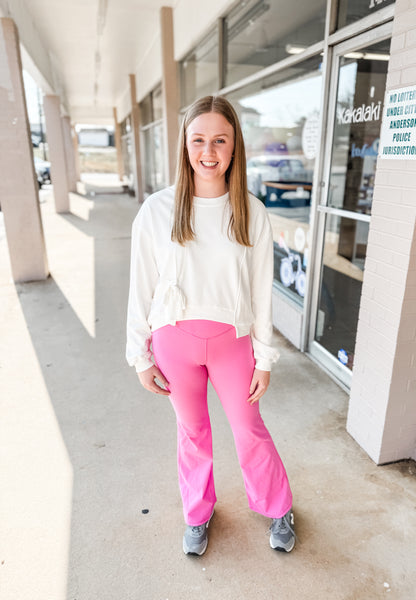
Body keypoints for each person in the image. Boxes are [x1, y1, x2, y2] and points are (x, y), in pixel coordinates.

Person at [126, 95, 295, 555]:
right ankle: (198, 514)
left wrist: (265, 358)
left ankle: (277, 505)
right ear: (184, 145)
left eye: (220, 140)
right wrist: (138, 356)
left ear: (235, 146)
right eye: (198, 139)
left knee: (248, 427)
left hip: (232, 343)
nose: (208, 151)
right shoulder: (157, 211)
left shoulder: (251, 211)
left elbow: (262, 293)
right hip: (174, 342)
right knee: (193, 433)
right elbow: (139, 288)